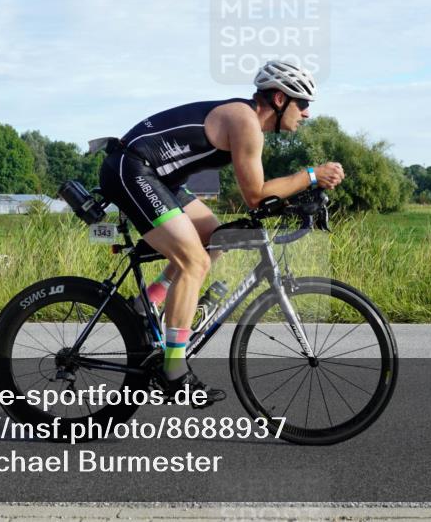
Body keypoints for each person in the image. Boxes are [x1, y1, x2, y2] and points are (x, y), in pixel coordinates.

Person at [97, 61, 345, 404]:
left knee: (217, 237)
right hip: (132, 169)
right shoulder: (245, 122)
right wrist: (311, 176)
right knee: (194, 262)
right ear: (279, 99)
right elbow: (255, 195)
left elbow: (260, 200)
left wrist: (298, 200)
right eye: (302, 103)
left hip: (160, 178)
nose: (306, 113)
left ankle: (146, 303)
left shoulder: (247, 121)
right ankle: (173, 371)